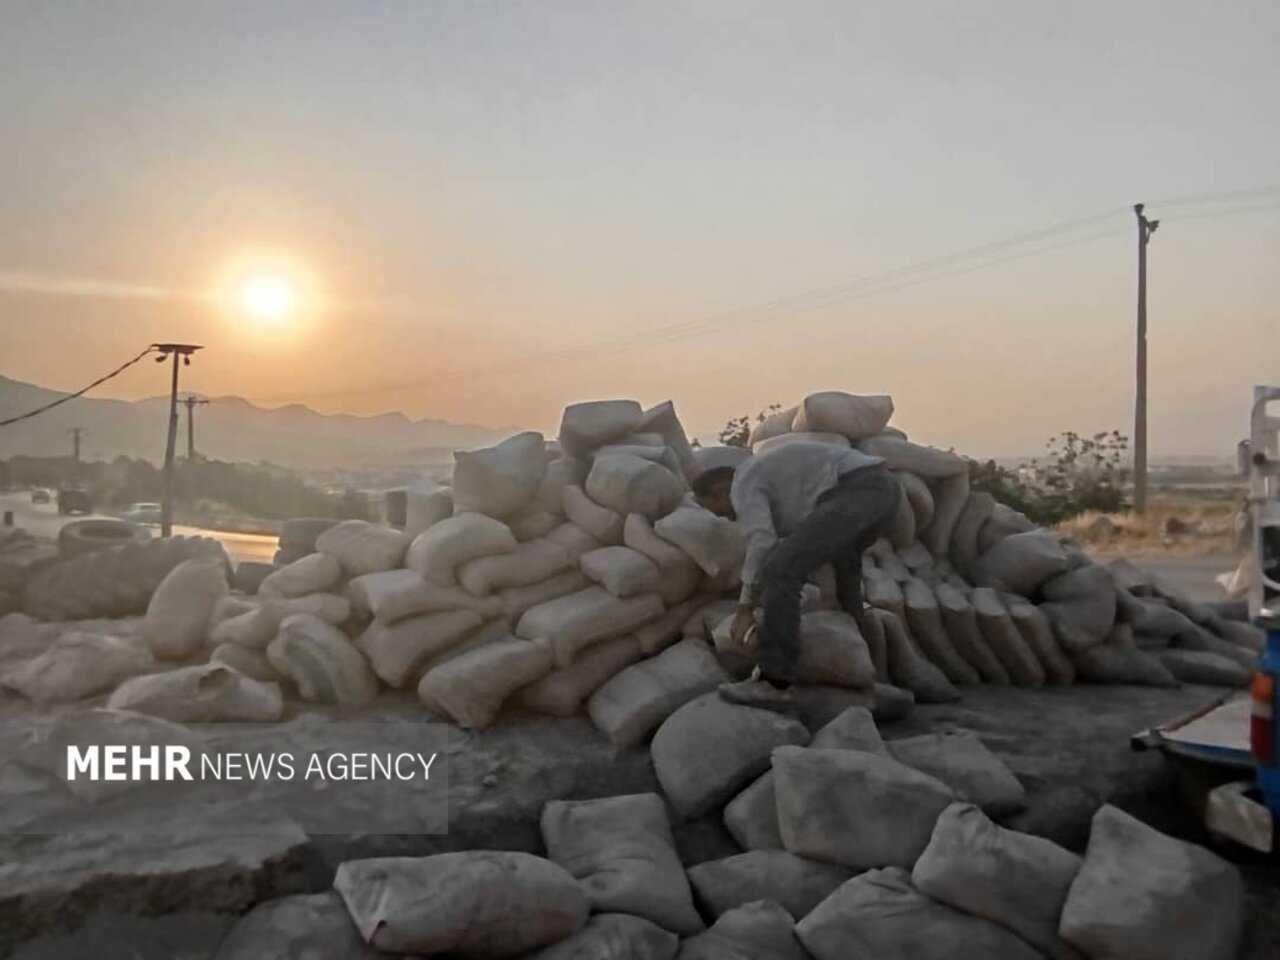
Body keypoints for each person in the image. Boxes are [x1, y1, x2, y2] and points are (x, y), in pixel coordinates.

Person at [692, 439, 900, 709]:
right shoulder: (771, 478)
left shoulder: (743, 482)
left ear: (719, 491)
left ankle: (775, 681)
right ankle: (868, 673)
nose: (724, 517)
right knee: (844, 582)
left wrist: (745, 607)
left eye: (714, 509)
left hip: (854, 491)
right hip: (886, 491)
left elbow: (761, 540)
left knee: (779, 571)